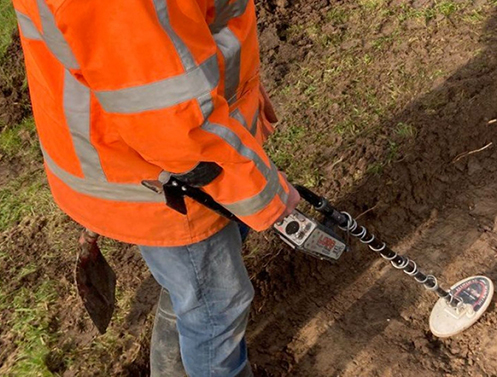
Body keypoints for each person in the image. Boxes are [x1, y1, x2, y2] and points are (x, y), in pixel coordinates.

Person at [12, 0, 300, 375]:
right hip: (168, 175)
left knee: (197, 293)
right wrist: (261, 191)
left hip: (192, 148)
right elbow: (171, 124)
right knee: (218, 304)